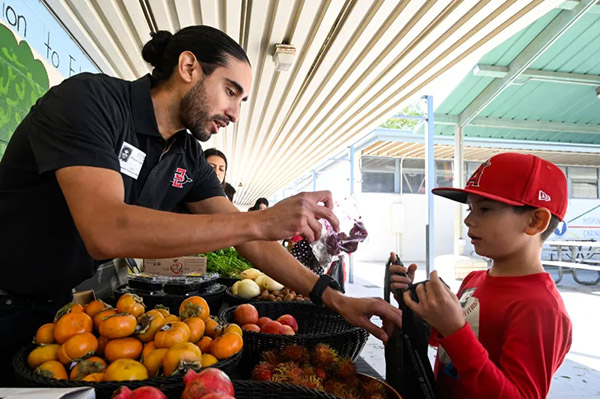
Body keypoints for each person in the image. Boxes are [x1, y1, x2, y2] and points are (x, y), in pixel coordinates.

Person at [0, 25, 401, 384]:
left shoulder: (187, 155)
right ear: (189, 67)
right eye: (230, 91)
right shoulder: (91, 102)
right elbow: (105, 230)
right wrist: (261, 220)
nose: (235, 113)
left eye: (242, 100)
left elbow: (249, 240)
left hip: (60, 314)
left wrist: (333, 297)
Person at [389, 152, 572, 399]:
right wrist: (415, 301)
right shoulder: (474, 280)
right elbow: (446, 344)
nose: (468, 219)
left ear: (535, 221)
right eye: (470, 208)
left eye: (485, 209)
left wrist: (455, 329)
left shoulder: (540, 307)